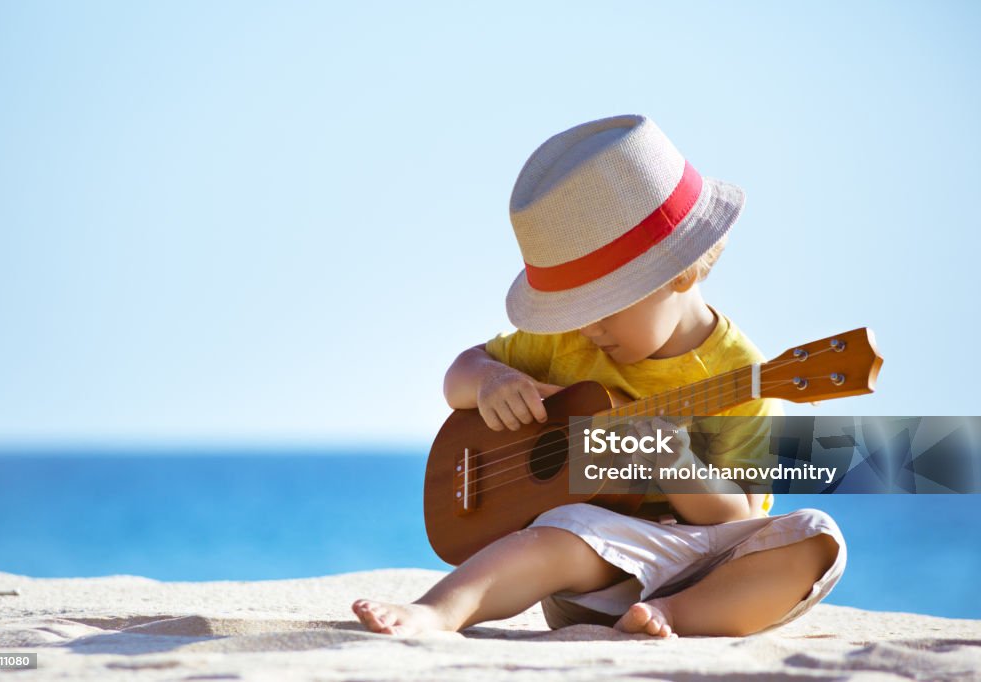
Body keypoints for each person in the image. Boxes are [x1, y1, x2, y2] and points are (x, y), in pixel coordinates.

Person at [352, 114, 846, 638]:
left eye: (603, 307)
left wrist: (672, 459)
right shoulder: (565, 340)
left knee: (817, 538)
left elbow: (731, 520)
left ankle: (672, 616)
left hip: (697, 566)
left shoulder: (744, 375)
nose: (587, 328)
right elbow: (459, 377)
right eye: (572, 311)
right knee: (564, 529)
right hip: (591, 565)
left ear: (679, 272)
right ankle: (439, 611)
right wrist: (490, 380)